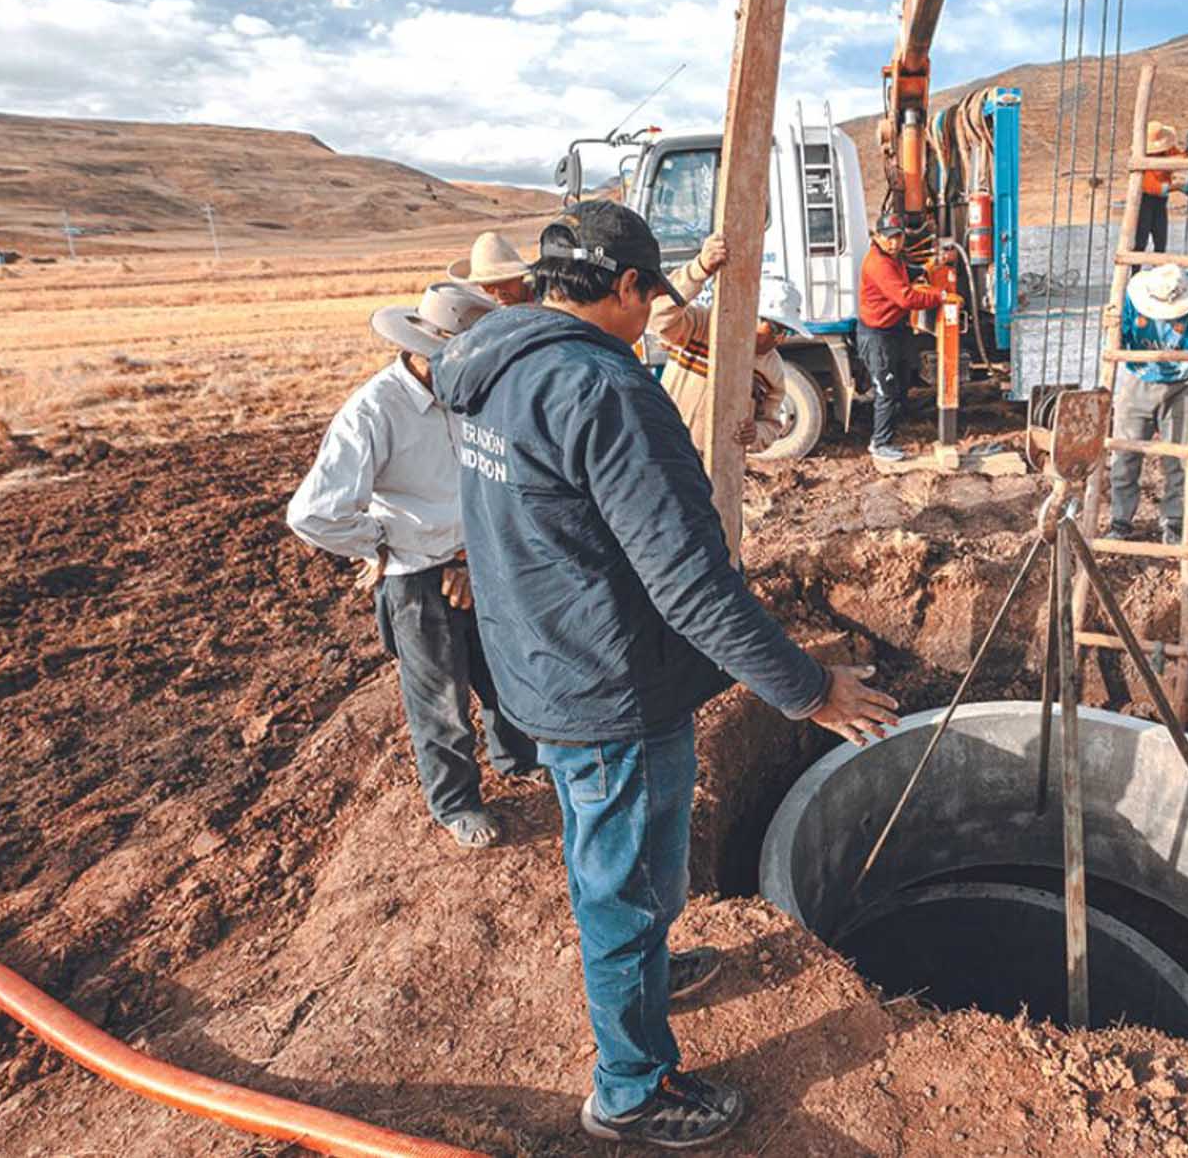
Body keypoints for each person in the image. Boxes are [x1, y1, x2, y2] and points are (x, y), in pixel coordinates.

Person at [431, 200, 898, 1149]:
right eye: (653, 296)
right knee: (621, 882)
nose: (656, 316)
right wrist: (809, 691)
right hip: (608, 688)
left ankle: (643, 963)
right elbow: (691, 582)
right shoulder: (602, 392)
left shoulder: (493, 365)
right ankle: (632, 1089)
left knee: (616, 867)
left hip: (542, 663)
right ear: (628, 286)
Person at [287, 280, 534, 850]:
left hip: (480, 558)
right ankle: (457, 803)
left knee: (504, 672)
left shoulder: (476, 396)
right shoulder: (374, 411)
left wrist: (472, 554)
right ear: (429, 353)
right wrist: (385, 545)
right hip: (417, 576)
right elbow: (314, 513)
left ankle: (518, 761)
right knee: (440, 697)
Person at [648, 233, 791, 456]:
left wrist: (756, 434)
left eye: (786, 332)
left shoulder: (772, 370)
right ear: (751, 315)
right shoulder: (703, 327)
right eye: (774, 328)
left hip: (716, 464)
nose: (780, 339)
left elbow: (771, 424)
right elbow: (658, 316)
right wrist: (699, 270)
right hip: (664, 445)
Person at [1107, 264, 1188, 544]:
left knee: (1178, 458)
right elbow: (1122, 338)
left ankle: (1175, 520)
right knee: (1124, 455)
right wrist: (1112, 328)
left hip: (1180, 384)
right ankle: (1120, 519)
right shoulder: (1133, 300)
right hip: (1138, 378)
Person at [857, 216, 945, 462]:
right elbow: (905, 298)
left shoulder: (891, 258)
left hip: (891, 331)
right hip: (877, 336)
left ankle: (896, 426)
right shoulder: (878, 264)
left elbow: (904, 272)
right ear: (877, 237)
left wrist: (925, 270)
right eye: (889, 237)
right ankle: (880, 443)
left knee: (898, 381)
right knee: (885, 390)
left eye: (898, 236)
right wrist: (941, 296)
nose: (895, 242)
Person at [1134, 120, 1188, 254]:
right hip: (1145, 201)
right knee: (1140, 242)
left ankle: (1158, 272)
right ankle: (1134, 273)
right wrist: (1178, 187)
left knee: (1160, 242)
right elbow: (1154, 187)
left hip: (1160, 203)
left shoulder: (1167, 150)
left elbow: (1180, 159)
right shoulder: (1142, 161)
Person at [450, 230, 534, 307]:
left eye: (506, 283)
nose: (500, 293)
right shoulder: (478, 312)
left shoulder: (545, 301)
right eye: (489, 287)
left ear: (521, 277)